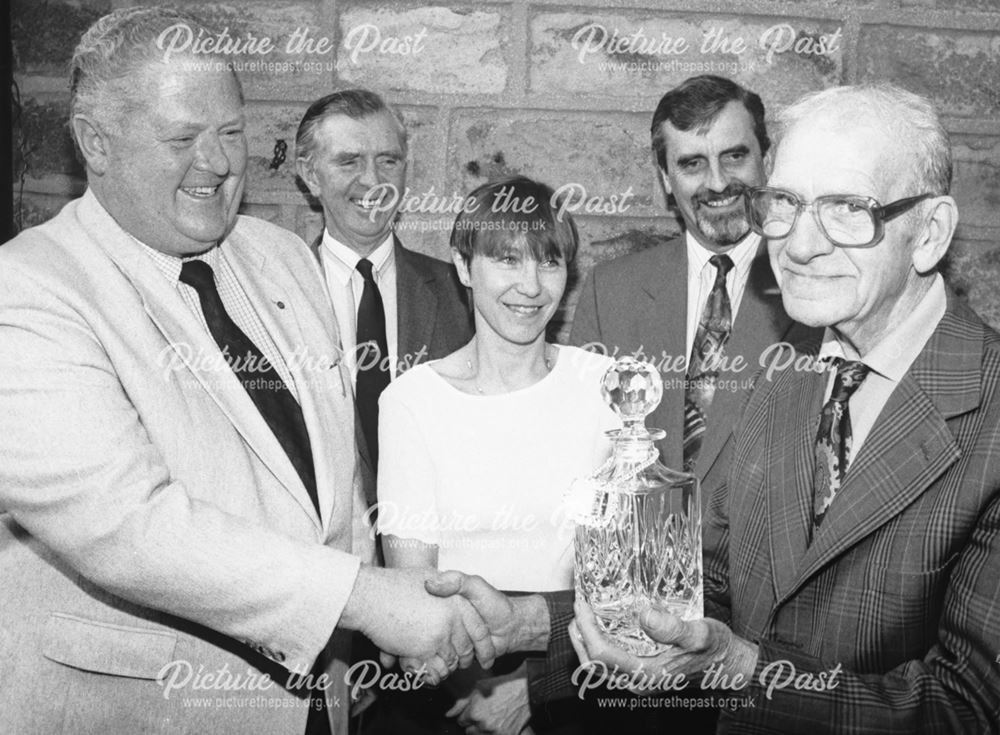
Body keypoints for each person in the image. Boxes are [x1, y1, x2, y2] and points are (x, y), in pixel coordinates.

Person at [0, 8, 501, 734]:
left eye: (230, 131)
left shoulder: (280, 257)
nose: (217, 162)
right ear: (95, 144)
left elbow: (334, 480)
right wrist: (363, 599)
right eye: (181, 138)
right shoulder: (28, 290)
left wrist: (359, 638)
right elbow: (128, 525)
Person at [571, 84, 1000, 733]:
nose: (798, 246)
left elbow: (966, 709)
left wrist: (743, 670)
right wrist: (522, 631)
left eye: (846, 209)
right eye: (787, 204)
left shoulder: (988, 410)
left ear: (929, 232)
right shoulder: (791, 365)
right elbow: (710, 574)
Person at [377, 177, 618, 734]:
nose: (531, 287)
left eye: (550, 262)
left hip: (582, 676)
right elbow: (416, 588)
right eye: (507, 260)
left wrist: (533, 692)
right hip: (451, 681)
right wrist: (477, 691)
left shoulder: (604, 386)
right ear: (463, 267)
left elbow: (622, 581)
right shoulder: (412, 400)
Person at [295, 89, 473, 481]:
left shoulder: (462, 297)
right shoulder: (280, 296)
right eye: (349, 161)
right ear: (310, 175)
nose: (373, 180)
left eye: (388, 161)